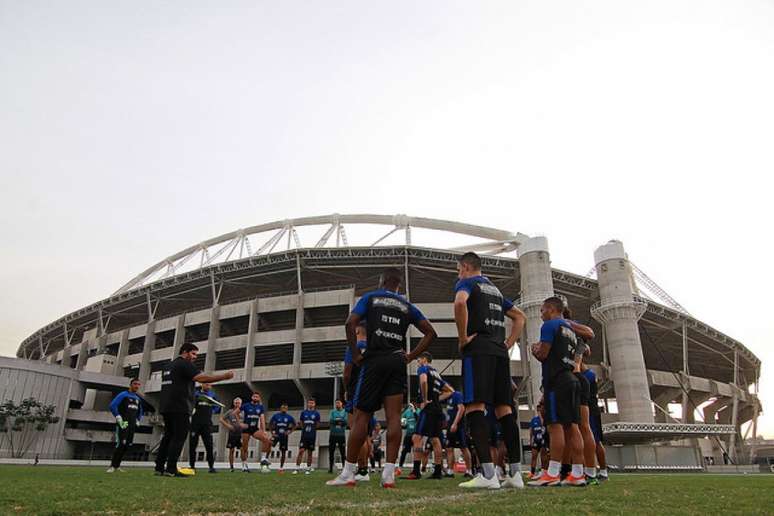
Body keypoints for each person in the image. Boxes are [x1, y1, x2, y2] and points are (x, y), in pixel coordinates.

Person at [327, 267, 437, 488]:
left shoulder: (371, 298)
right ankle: (388, 474)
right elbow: (431, 333)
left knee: (362, 416)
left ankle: (349, 472)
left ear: (382, 281)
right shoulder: (406, 305)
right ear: (398, 284)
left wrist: (356, 353)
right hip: (396, 362)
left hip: (374, 360)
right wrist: (410, 356)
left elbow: (350, 322)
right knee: (394, 417)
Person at [453, 252, 527, 489]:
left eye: (458, 269)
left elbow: (460, 302)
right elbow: (520, 317)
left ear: (465, 267)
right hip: (499, 352)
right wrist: (508, 343)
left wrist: (463, 338)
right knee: (504, 409)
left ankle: (487, 475)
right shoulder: (494, 290)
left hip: (479, 350)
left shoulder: (467, 283)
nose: (458, 274)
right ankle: (516, 474)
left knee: (475, 406)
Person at [527, 297, 585, 487]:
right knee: (572, 426)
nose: (541, 314)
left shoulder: (550, 325)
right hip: (572, 379)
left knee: (555, 425)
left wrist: (534, 349)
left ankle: (551, 473)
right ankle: (578, 474)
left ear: (551, 309)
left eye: (543, 310)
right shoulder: (570, 330)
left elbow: (543, 354)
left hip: (556, 380)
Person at [155, 343, 234, 477]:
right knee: (179, 437)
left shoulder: (168, 366)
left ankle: (159, 467)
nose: (195, 357)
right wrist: (223, 377)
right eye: (193, 354)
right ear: (185, 352)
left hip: (166, 406)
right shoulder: (184, 364)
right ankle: (171, 469)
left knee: (168, 436)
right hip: (180, 406)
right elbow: (201, 378)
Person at [407, 352, 453, 480]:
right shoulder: (437, 373)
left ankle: (416, 471)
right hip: (437, 408)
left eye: (419, 359)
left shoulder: (423, 368)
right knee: (435, 439)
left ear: (424, 359)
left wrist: (426, 399)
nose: (417, 361)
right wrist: (437, 399)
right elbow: (450, 391)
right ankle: (438, 471)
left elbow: (423, 381)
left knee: (416, 437)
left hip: (428, 408)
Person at [343, 324, 371, 480]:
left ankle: (361, 470)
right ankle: (363, 469)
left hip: (355, 391)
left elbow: (347, 373)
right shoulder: (374, 348)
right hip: (370, 393)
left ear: (358, 330)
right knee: (364, 433)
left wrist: (346, 389)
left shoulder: (354, 347)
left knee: (355, 431)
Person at [107, 377, 143, 473]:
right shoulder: (123, 395)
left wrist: (138, 419)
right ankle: (112, 466)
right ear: (130, 385)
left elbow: (141, 411)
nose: (137, 386)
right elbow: (112, 405)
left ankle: (117, 466)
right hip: (123, 424)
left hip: (132, 425)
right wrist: (118, 416)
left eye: (138, 384)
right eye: (135, 384)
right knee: (120, 444)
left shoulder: (137, 398)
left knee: (127, 445)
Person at [583, 364, 608, 481]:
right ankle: (591, 470)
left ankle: (602, 472)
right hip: (587, 409)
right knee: (588, 441)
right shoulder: (588, 374)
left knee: (595, 441)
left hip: (591, 410)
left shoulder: (589, 375)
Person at [188, 383, 221, 473]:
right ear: (202, 385)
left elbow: (217, 406)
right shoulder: (196, 394)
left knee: (209, 445)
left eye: (209, 385)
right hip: (195, 423)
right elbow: (190, 405)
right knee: (192, 445)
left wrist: (212, 411)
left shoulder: (212, 395)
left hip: (207, 424)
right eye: (206, 384)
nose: (208, 386)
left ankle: (211, 467)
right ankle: (192, 466)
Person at [240, 392, 272, 473]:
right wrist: (239, 423)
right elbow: (235, 413)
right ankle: (244, 465)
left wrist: (264, 430)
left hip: (254, 428)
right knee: (245, 447)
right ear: (252, 397)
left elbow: (262, 419)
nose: (255, 398)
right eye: (254, 396)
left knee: (266, 440)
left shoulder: (260, 407)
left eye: (257, 397)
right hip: (246, 428)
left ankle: (263, 458)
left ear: (259, 398)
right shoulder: (246, 405)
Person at [445, 389, 472, 478]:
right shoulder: (447, 398)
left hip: (459, 426)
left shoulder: (457, 395)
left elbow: (461, 408)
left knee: (463, 448)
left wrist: (455, 423)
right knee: (449, 448)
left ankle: (469, 470)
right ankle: (450, 470)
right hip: (450, 426)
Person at [294, 398, 321, 474]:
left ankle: (308, 468)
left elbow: (318, 424)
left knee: (310, 452)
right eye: (309, 403)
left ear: (314, 404)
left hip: (312, 436)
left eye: (312, 403)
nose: (310, 404)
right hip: (304, 436)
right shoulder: (304, 413)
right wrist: (304, 429)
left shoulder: (316, 413)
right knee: (301, 451)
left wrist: (312, 429)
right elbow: (301, 422)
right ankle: (297, 468)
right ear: (308, 404)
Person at [220, 398, 246, 472]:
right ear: (234, 403)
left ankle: (244, 466)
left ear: (241, 404)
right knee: (231, 450)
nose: (237, 404)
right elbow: (221, 419)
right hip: (232, 434)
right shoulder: (230, 412)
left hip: (241, 433)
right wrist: (228, 425)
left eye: (239, 403)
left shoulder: (243, 412)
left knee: (242, 450)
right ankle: (231, 467)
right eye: (236, 403)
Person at [269, 403, 296, 472]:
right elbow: (270, 424)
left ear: (287, 409)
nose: (284, 409)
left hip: (284, 436)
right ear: (280, 408)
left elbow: (294, 425)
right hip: (276, 435)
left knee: (283, 452)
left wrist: (289, 432)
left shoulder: (289, 417)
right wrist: (272, 433)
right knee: (269, 444)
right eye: (283, 408)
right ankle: (265, 460)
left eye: (285, 408)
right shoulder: (276, 416)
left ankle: (281, 467)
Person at [529, 402, 548, 479]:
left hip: (543, 439)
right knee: (534, 456)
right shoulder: (534, 420)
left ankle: (544, 471)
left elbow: (544, 425)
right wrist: (531, 440)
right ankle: (532, 473)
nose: (539, 411)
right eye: (538, 409)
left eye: (540, 409)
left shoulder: (544, 419)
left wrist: (541, 416)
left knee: (544, 456)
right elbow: (531, 431)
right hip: (536, 440)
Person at [328, 399, 348, 473]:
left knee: (343, 452)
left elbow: (345, 422)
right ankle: (330, 468)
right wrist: (339, 421)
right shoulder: (332, 412)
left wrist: (337, 421)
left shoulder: (345, 412)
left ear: (342, 404)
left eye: (338, 403)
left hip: (341, 435)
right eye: (336, 403)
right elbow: (331, 421)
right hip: (333, 434)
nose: (337, 404)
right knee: (331, 452)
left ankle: (344, 468)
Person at [399, 403, 418, 469]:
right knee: (404, 451)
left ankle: (417, 468)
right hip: (408, 434)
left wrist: (414, 411)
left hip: (416, 434)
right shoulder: (406, 412)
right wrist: (403, 423)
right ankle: (400, 467)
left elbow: (418, 419)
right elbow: (403, 422)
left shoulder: (419, 411)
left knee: (417, 451)